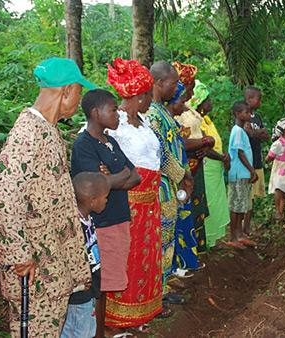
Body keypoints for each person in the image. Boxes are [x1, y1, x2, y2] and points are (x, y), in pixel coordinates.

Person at [0, 58, 94, 336]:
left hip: (51, 265)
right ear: (67, 90)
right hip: (36, 274)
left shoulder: (48, 129)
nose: (78, 100)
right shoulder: (28, 133)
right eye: (79, 93)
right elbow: (1, 195)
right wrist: (19, 254)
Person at [103, 58, 168, 333]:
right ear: (137, 96)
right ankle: (117, 322)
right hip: (128, 204)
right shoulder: (114, 125)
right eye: (146, 96)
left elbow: (156, 158)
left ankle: (141, 315)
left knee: (146, 258)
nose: (149, 101)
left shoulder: (144, 122)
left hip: (150, 204)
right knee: (126, 260)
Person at [71, 89, 141, 338]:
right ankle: (97, 334)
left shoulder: (110, 141)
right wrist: (115, 176)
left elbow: (135, 176)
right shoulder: (84, 145)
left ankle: (99, 332)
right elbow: (97, 185)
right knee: (98, 285)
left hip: (118, 218)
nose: (118, 113)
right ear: (95, 113)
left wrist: (112, 177)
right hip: (101, 222)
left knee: (108, 281)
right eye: (113, 109)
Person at [143, 61, 193, 306]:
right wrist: (181, 174)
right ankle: (157, 294)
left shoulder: (161, 109)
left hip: (171, 185)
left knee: (168, 238)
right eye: (173, 83)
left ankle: (163, 287)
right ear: (160, 83)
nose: (176, 88)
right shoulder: (151, 114)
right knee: (161, 240)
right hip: (161, 186)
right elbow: (160, 152)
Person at [61, 172, 110, 338]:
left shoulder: (88, 219)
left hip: (90, 292)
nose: (106, 200)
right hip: (79, 296)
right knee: (77, 332)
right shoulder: (74, 228)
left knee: (87, 332)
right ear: (92, 201)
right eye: (105, 197)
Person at [175, 80, 215, 255]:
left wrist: (207, 142)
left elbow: (200, 133)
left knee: (197, 207)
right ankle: (187, 254)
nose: (190, 93)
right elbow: (180, 141)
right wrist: (205, 141)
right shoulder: (174, 110)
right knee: (186, 208)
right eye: (188, 89)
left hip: (197, 164)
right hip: (185, 165)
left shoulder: (188, 108)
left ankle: (198, 250)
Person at [165, 81, 200, 277]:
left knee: (181, 220)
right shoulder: (157, 118)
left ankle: (178, 267)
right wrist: (181, 176)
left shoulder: (169, 119)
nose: (184, 105)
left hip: (180, 176)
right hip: (171, 180)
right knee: (172, 225)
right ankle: (172, 271)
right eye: (182, 100)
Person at [196, 83, 231, 248]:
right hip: (208, 166)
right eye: (207, 99)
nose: (211, 102)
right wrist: (222, 158)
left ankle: (212, 240)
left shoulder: (207, 120)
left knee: (216, 203)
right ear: (200, 102)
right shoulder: (197, 122)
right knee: (209, 202)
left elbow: (215, 144)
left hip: (215, 167)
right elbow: (205, 148)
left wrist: (224, 154)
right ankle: (206, 240)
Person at [227, 101, 258, 250]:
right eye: (246, 112)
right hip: (239, 173)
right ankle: (233, 236)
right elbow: (239, 152)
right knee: (236, 206)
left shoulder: (241, 130)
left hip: (243, 174)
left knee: (241, 206)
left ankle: (239, 233)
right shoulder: (237, 131)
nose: (249, 115)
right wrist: (252, 170)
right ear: (238, 114)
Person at [243, 86, 270, 235]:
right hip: (246, 163)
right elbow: (248, 133)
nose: (260, 102)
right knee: (246, 196)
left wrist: (256, 133)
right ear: (249, 99)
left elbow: (265, 135)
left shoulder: (257, 117)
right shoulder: (242, 116)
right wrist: (257, 132)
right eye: (258, 99)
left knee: (252, 197)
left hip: (257, 160)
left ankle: (247, 226)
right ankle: (242, 228)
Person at [265, 118, 285, 223]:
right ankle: (277, 211)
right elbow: (269, 157)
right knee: (278, 187)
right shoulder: (278, 144)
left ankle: (282, 211)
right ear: (284, 129)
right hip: (281, 168)